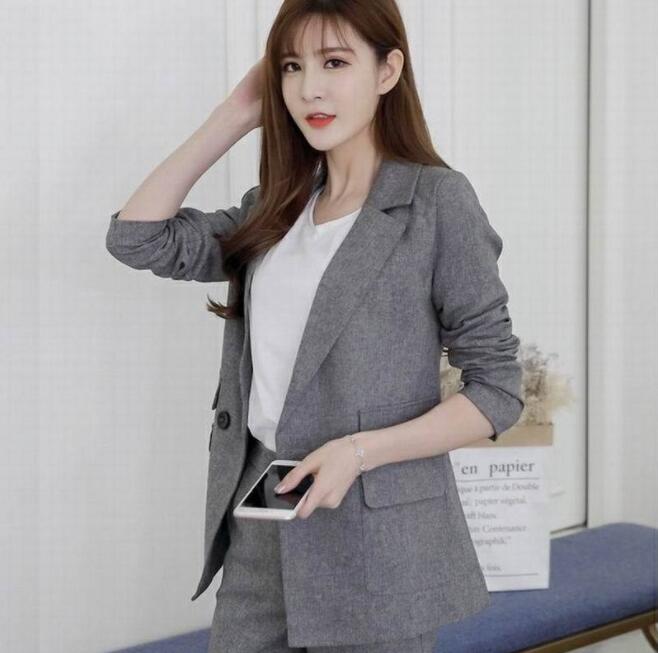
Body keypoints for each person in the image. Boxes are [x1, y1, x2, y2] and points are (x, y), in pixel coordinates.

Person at [105, 1, 524, 651]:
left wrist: (359, 452)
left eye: (334, 63)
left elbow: (497, 390)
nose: (309, 89)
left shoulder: (436, 202)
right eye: (292, 67)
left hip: (376, 539)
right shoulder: (276, 205)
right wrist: (234, 115)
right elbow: (137, 238)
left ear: (388, 70)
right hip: (262, 520)